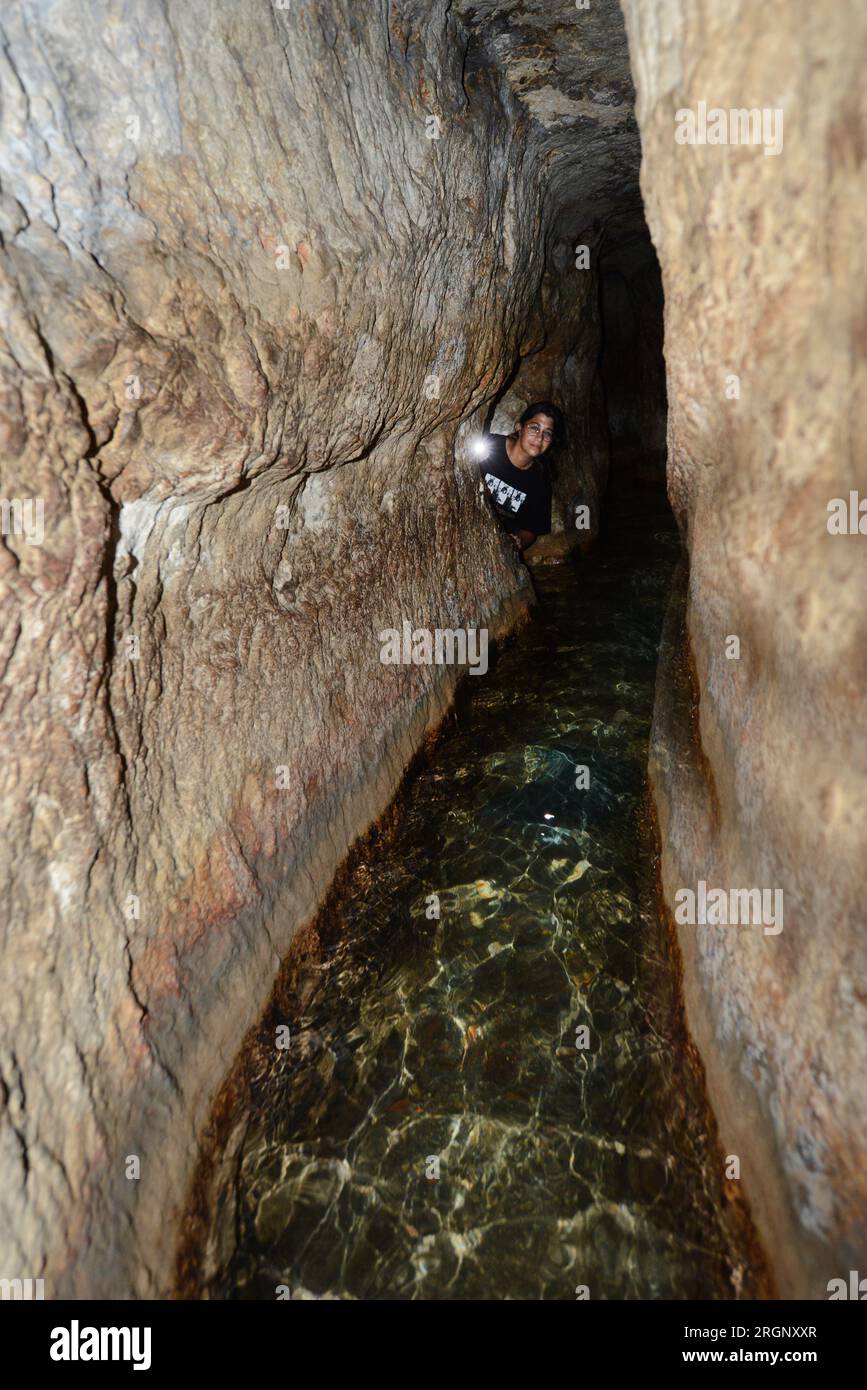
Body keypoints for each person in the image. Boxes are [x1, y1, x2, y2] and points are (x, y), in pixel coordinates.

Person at [477, 401, 561, 553]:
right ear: (519, 427)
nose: (539, 437)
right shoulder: (491, 446)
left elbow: (531, 529)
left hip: (494, 546)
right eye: (534, 427)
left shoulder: (540, 482)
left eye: (547, 433)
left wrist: (517, 542)